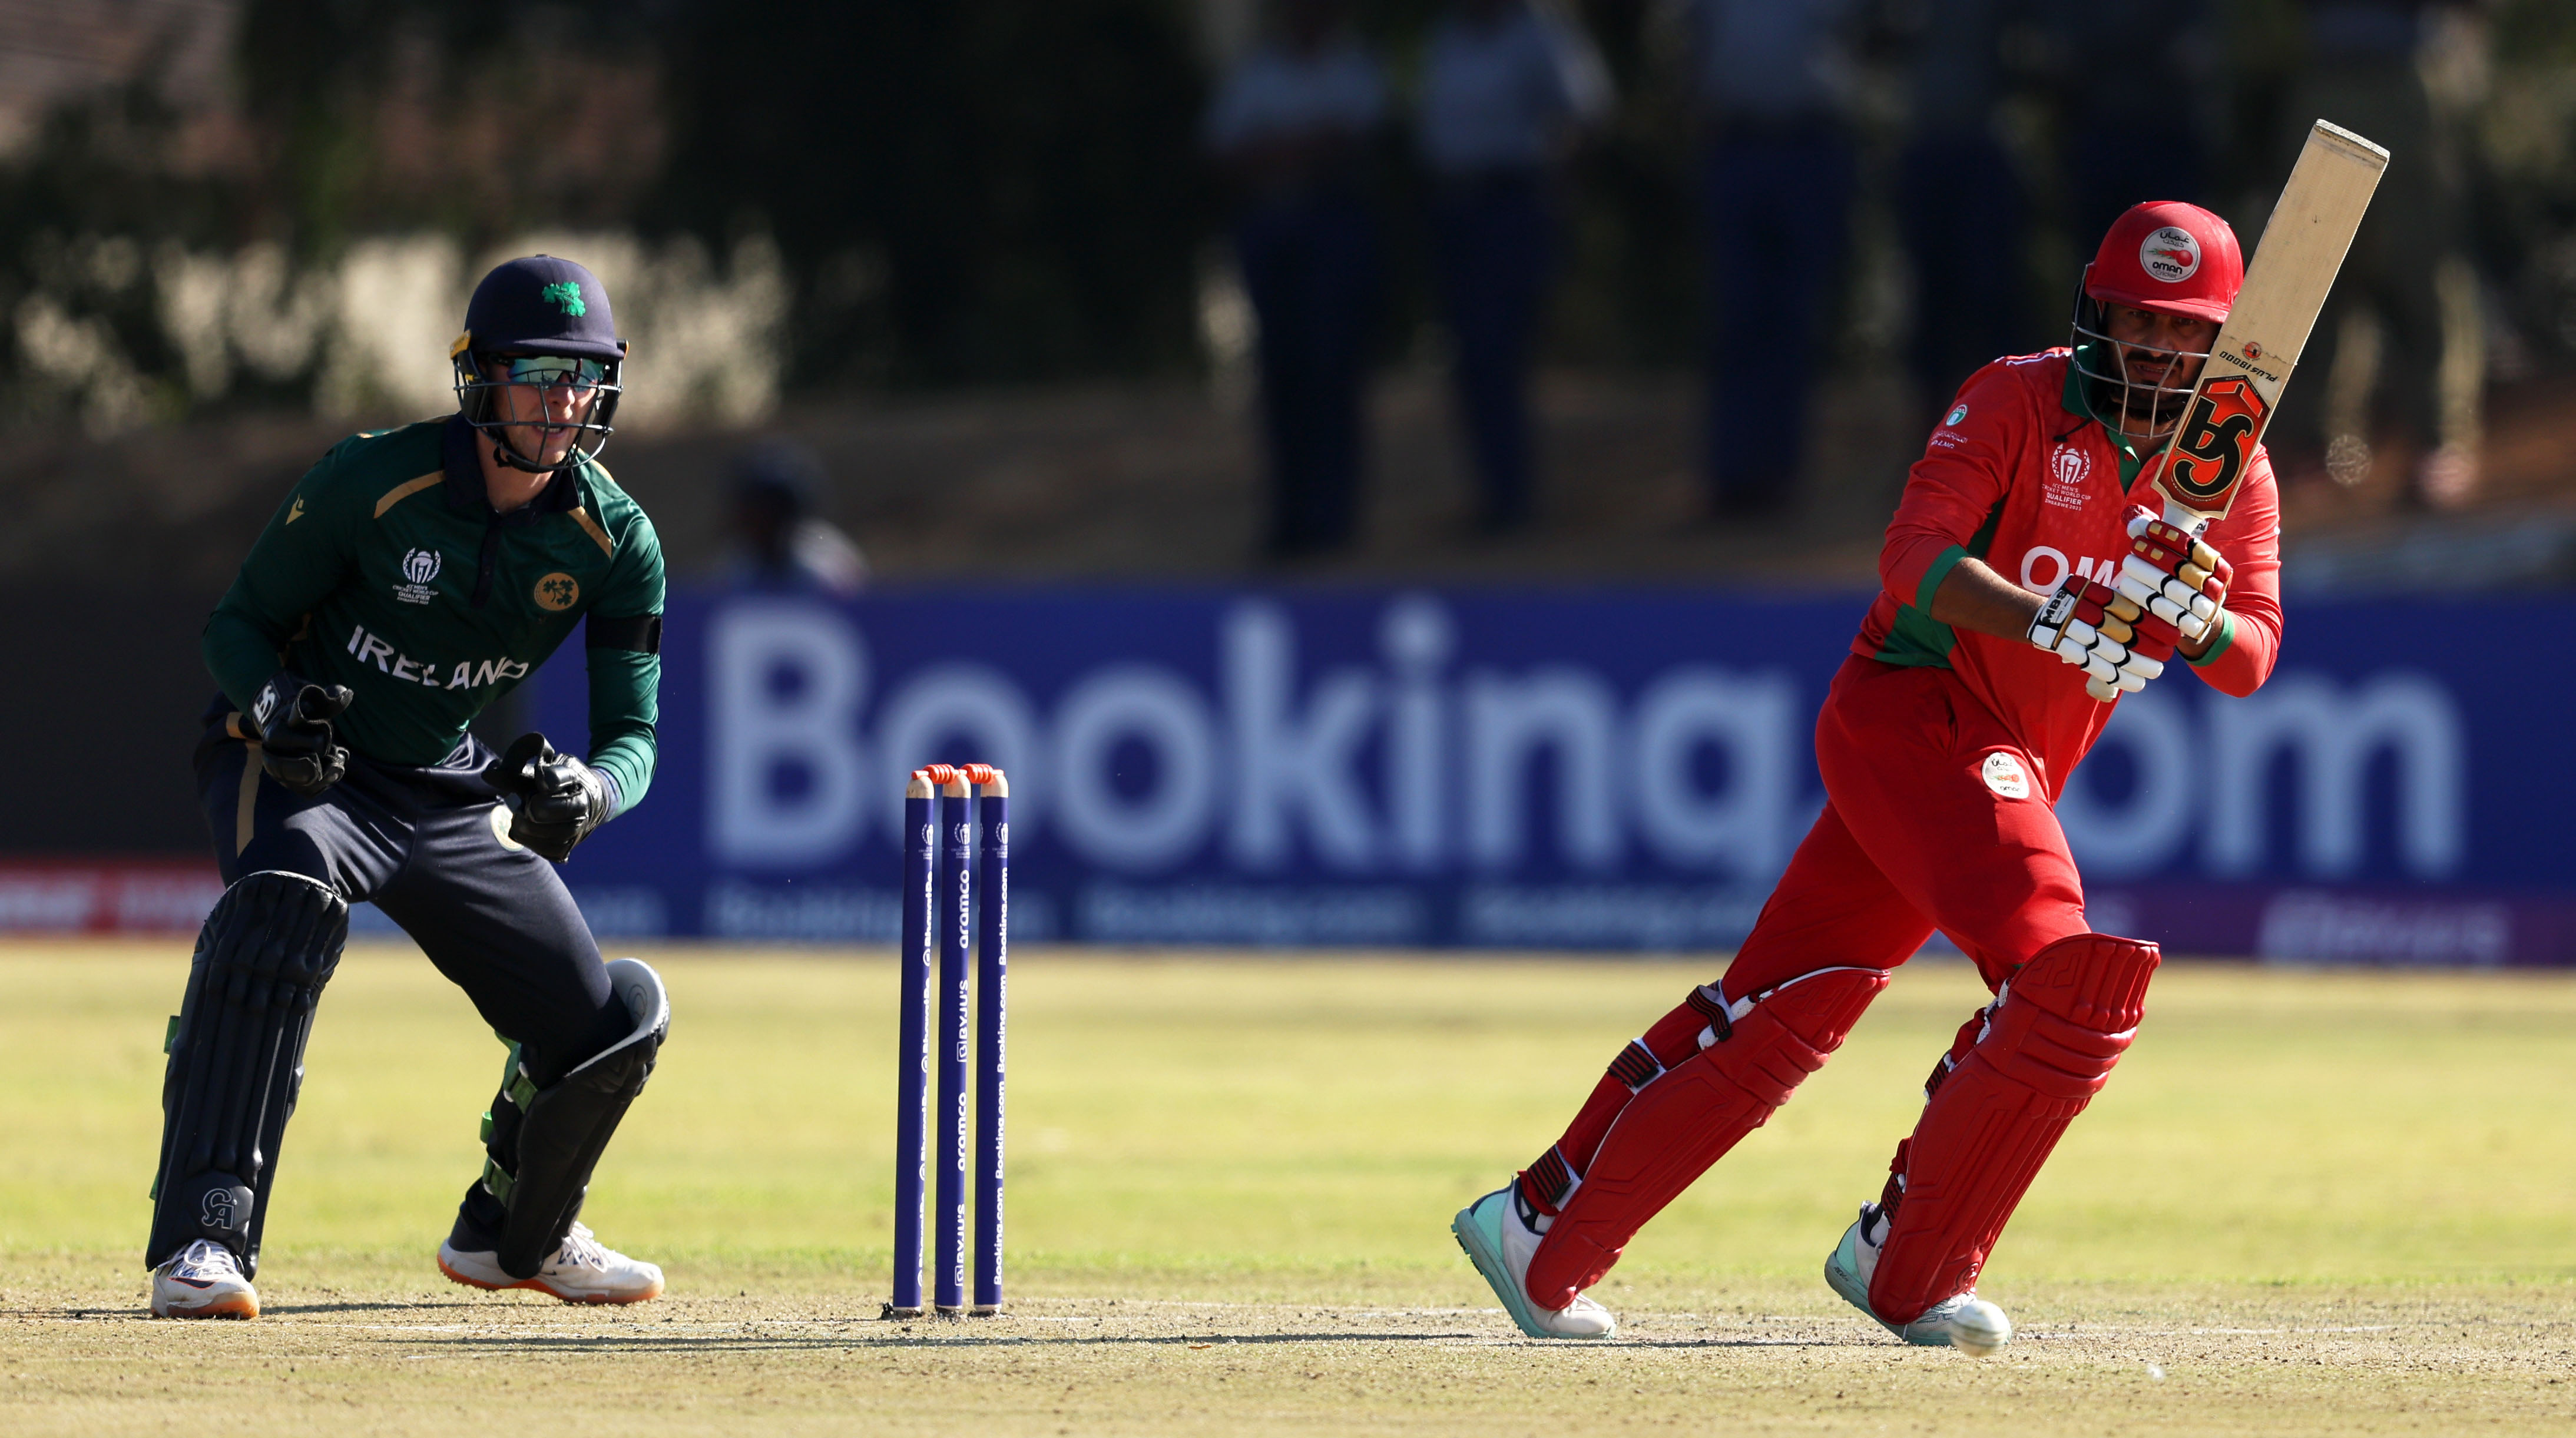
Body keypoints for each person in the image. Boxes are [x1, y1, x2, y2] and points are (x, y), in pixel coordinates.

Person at [1453, 200, 2282, 1344]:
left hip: (2013, 760)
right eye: (2134, 318)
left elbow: (2252, 657)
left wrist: (2193, 619)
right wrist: (2046, 618)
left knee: (1785, 1006)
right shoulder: (2016, 399)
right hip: (1913, 714)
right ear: (2096, 313)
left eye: (2180, 327)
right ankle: (1909, 1260)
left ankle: (1538, 1231)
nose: (2151, 344)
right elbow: (1910, 565)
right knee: (2065, 977)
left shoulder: (2229, 468)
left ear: (2222, 344)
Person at [145, 256, 671, 1319]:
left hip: (441, 784)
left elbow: (633, 738)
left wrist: (587, 790)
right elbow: (233, 627)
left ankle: (511, 1232)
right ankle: (204, 1236)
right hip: (300, 761)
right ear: (476, 379)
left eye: (581, 376)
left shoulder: (616, 540)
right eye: (533, 372)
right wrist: (280, 699)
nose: (559, 401)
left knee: (603, 1020)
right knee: (280, 909)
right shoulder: (372, 481)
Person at [1416, 0, 1611, 534]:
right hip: (1455, 209)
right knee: (1471, 358)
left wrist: (1557, 192)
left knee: (1498, 350)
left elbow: (1585, 113)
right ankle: (1491, 495)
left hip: (1512, 207)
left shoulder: (1539, 33)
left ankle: (1511, 499)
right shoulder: (1448, 32)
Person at [1206, 0, 1390, 559]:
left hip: (1335, 230)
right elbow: (1222, 147)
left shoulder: (1357, 66)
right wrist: (1303, 145)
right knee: (1281, 377)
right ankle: (1289, 521)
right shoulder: (1257, 70)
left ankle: (1334, 521)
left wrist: (1277, 146)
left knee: (1331, 372)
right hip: (1270, 231)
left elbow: (1354, 143)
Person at [1680, 0, 1862, 519]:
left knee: (1793, 318)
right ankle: (1731, 477)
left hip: (1809, 145)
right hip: (1736, 146)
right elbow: (1691, 49)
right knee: (1735, 317)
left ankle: (1779, 478)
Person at [721, 440, 868, 595]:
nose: (765, 518)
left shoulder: (826, 563)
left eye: (776, 508)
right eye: (755, 508)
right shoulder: (734, 567)